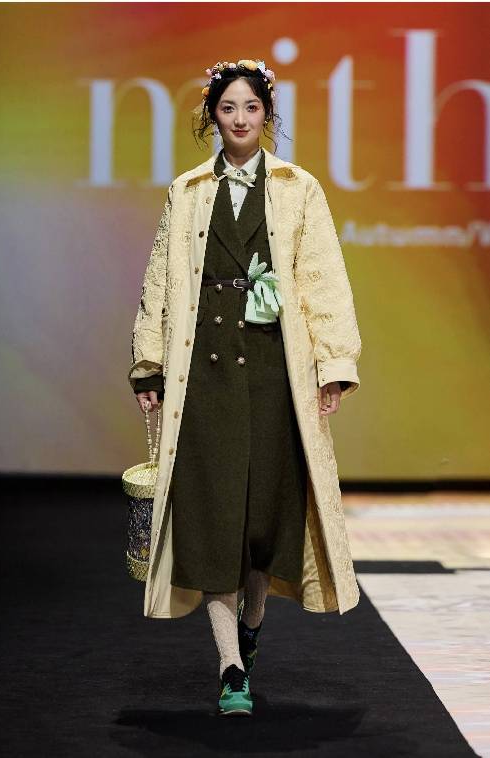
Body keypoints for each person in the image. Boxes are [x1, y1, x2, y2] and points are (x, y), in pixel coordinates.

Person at [129, 58, 363, 717]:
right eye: (227, 107)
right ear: (212, 115)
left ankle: (251, 626)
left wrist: (333, 364)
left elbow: (322, 278)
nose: (238, 119)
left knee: (263, 524)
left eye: (250, 108)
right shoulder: (186, 191)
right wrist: (149, 364)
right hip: (203, 375)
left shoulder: (297, 189)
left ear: (267, 115)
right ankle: (230, 665)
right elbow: (159, 279)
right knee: (212, 521)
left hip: (271, 370)